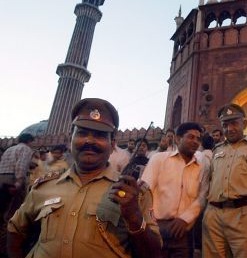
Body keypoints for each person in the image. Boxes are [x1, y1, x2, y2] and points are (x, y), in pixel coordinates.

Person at [7, 98, 161, 258]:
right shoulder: (44, 186)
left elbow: (153, 253)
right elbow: (16, 230)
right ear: (69, 139)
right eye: (82, 133)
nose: (89, 141)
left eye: (100, 135)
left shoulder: (134, 194)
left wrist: (134, 216)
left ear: (113, 143)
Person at [202, 103, 247, 258]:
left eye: (234, 123)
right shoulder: (217, 150)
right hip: (214, 215)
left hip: (246, 215)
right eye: (225, 125)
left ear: (244, 123)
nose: (230, 129)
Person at [141, 121, 209, 258]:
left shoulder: (202, 167)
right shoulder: (159, 159)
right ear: (178, 139)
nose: (195, 141)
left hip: (184, 233)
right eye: (190, 137)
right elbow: (145, 193)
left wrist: (184, 219)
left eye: (198, 139)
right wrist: (152, 223)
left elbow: (202, 197)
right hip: (156, 230)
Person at [0, 133, 35, 223]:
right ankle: (7, 228)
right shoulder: (26, 149)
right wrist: (18, 182)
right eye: (32, 142)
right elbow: (21, 165)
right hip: (12, 179)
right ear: (29, 141)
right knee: (12, 206)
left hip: (1, 177)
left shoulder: (9, 149)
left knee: (2, 205)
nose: (32, 144)